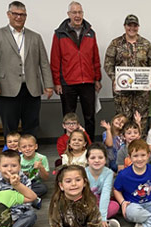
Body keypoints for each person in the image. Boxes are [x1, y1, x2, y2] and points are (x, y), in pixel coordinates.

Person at [0, 1, 54, 138]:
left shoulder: (35, 37)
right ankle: (11, 156)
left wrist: (48, 85)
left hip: (31, 89)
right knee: (10, 127)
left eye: (22, 14)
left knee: (32, 125)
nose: (18, 17)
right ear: (8, 15)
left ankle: (30, 157)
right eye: (15, 14)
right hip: (6, 89)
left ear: (26, 16)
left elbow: (44, 63)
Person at [50, 1, 102, 142]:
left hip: (88, 81)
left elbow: (95, 57)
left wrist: (97, 78)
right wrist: (56, 82)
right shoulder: (59, 34)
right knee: (69, 118)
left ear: (83, 14)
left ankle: (90, 145)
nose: (77, 15)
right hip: (67, 82)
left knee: (89, 116)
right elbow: (55, 60)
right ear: (69, 15)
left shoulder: (90, 33)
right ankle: (70, 145)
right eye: (74, 12)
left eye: (80, 12)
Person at [104, 14, 151, 132]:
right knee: (122, 120)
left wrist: (150, 79)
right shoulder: (115, 44)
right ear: (125, 26)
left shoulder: (146, 44)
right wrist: (114, 79)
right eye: (129, 25)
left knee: (141, 119)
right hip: (122, 92)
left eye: (135, 25)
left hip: (141, 92)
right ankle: (122, 147)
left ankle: (140, 147)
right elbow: (108, 64)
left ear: (138, 27)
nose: (132, 28)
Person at [0, 150, 38, 227]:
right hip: (2, 214)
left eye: (14, 166)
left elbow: (28, 202)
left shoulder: (24, 180)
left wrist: (17, 185)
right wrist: (6, 216)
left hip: (19, 212)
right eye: (5, 166)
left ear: (19, 167)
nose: (9, 169)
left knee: (31, 215)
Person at [85, 143, 121, 227]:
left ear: (105, 160)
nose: (97, 160)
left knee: (115, 206)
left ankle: (95, 224)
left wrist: (103, 217)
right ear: (87, 160)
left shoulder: (108, 173)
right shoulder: (83, 172)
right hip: (86, 202)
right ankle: (101, 225)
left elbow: (105, 194)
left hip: (100, 201)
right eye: (93, 158)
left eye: (100, 158)